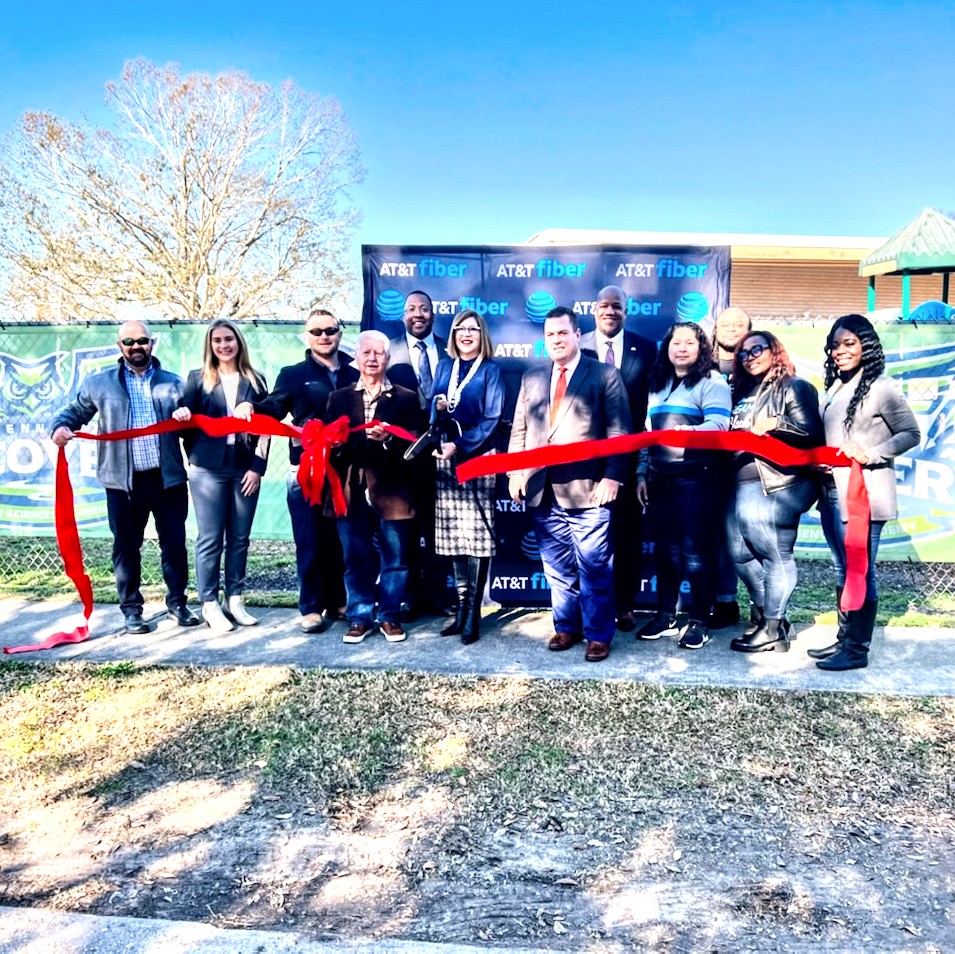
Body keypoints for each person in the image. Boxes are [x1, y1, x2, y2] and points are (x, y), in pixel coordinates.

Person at [51, 321, 200, 634]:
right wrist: (60, 428)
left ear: (151, 344)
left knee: (174, 545)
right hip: (122, 483)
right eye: (129, 341)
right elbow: (74, 413)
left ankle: (177, 604)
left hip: (167, 479)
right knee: (126, 547)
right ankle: (132, 610)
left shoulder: (173, 384)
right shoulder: (100, 384)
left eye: (142, 340)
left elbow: (191, 427)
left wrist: (185, 417)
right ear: (120, 346)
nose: (136, 346)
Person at [508, 307, 632, 663]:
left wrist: (612, 476)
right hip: (541, 487)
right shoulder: (532, 377)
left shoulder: (604, 375)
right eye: (550, 335)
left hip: (589, 489)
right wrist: (515, 472)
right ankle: (567, 626)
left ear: (578, 335)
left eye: (563, 333)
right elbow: (520, 429)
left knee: (593, 566)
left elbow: (620, 432)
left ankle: (597, 635)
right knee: (557, 567)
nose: (556, 340)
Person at [235, 309, 358, 634]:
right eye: (316, 331)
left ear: (339, 333)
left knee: (341, 540)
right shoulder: (292, 374)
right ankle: (311, 607)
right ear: (307, 336)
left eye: (330, 330)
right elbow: (273, 408)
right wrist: (251, 407)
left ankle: (340, 600)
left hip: (345, 470)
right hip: (306, 471)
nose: (324, 336)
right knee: (310, 540)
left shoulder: (354, 371)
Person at [812, 314, 920, 671]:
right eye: (835, 344)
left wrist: (871, 454)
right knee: (845, 571)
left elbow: (909, 433)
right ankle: (845, 640)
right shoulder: (836, 387)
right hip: (831, 492)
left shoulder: (881, 386)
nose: (840, 351)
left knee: (860, 572)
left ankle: (856, 650)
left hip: (865, 497)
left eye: (849, 344)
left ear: (866, 347)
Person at [724, 331, 823, 654]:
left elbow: (812, 434)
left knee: (774, 554)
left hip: (776, 482)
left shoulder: (795, 387)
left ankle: (771, 627)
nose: (750, 356)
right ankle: (769, 614)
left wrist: (777, 423)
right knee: (738, 554)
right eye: (743, 353)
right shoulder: (740, 390)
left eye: (757, 349)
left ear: (774, 350)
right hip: (738, 482)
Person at [635, 322, 731, 650]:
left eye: (690, 343)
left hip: (698, 478)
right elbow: (648, 434)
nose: (682, 348)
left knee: (695, 553)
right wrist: (642, 474)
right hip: (661, 480)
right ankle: (665, 615)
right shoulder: (657, 383)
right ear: (667, 347)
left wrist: (688, 433)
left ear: (701, 348)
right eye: (676, 342)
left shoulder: (712, 381)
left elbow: (720, 424)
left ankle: (701, 619)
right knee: (667, 552)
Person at [172, 320, 270, 633]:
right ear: (210, 345)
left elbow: (267, 428)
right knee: (211, 538)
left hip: (244, 468)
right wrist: (181, 413)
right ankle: (210, 603)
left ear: (238, 342)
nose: (224, 345)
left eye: (229, 339)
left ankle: (235, 599)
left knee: (239, 538)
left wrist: (257, 467)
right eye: (217, 340)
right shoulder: (197, 379)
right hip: (207, 470)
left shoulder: (255, 380)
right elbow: (184, 417)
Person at [326, 331, 421, 644]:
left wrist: (390, 439)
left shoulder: (407, 397)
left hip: (393, 489)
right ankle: (360, 616)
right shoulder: (338, 398)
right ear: (356, 357)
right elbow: (330, 447)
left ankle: (390, 616)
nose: (371, 358)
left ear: (388, 359)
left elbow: (415, 443)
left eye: (378, 353)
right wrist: (348, 442)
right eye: (365, 352)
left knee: (396, 559)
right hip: (351, 488)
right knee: (356, 557)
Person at [580, 285, 657, 631]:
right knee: (586, 540)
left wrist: (641, 468)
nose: (610, 311)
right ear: (594, 310)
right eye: (604, 305)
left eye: (617, 306)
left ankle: (625, 604)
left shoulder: (647, 348)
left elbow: (649, 413)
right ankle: (591, 607)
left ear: (626, 311)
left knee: (626, 535)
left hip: (626, 460)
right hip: (583, 459)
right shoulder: (577, 347)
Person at [429, 310, 504, 644]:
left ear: (482, 334)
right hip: (445, 458)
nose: (467, 334)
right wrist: (439, 408)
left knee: (477, 536)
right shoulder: (445, 367)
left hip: (478, 457)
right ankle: (460, 609)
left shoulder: (491, 370)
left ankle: (474, 611)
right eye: (461, 329)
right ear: (454, 334)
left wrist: (459, 445)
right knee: (453, 537)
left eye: (474, 329)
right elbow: (431, 408)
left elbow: (492, 419)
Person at [387, 290, 452, 618]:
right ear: (403, 315)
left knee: (438, 527)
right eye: (411, 309)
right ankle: (410, 596)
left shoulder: (450, 350)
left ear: (433, 314)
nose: (418, 314)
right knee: (408, 530)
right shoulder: (389, 351)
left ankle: (439, 594)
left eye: (424, 309)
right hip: (403, 457)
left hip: (444, 455)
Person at [709, 306, 754, 628]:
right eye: (726, 323)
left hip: (749, 468)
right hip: (706, 468)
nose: (732, 328)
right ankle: (723, 601)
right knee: (716, 538)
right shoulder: (701, 364)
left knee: (750, 540)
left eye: (739, 324)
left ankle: (763, 605)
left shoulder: (758, 364)